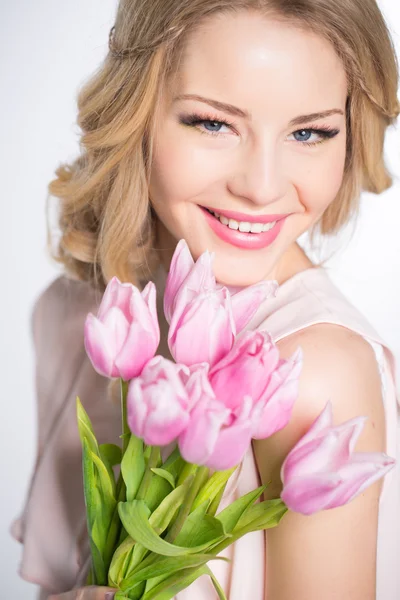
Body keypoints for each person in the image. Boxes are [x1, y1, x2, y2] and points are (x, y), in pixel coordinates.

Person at [10, 1, 400, 599]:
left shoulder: (316, 374)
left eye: (309, 132)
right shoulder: (73, 315)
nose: (261, 185)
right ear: (134, 111)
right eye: (213, 123)